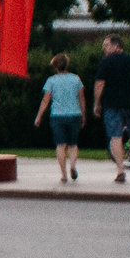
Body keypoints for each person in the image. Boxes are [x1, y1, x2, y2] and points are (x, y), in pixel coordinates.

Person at [92, 35, 130, 185]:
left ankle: (120, 170)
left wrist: (96, 103)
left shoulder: (105, 62)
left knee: (115, 136)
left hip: (112, 104)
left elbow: (99, 84)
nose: (104, 48)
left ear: (116, 45)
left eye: (106, 45)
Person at [35, 53, 85, 182]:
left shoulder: (51, 80)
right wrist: (83, 114)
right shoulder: (76, 79)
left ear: (55, 66)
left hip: (57, 116)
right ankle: (73, 166)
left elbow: (46, 100)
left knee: (60, 145)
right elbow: (81, 98)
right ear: (67, 65)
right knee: (73, 144)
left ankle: (63, 174)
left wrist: (39, 116)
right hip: (74, 114)